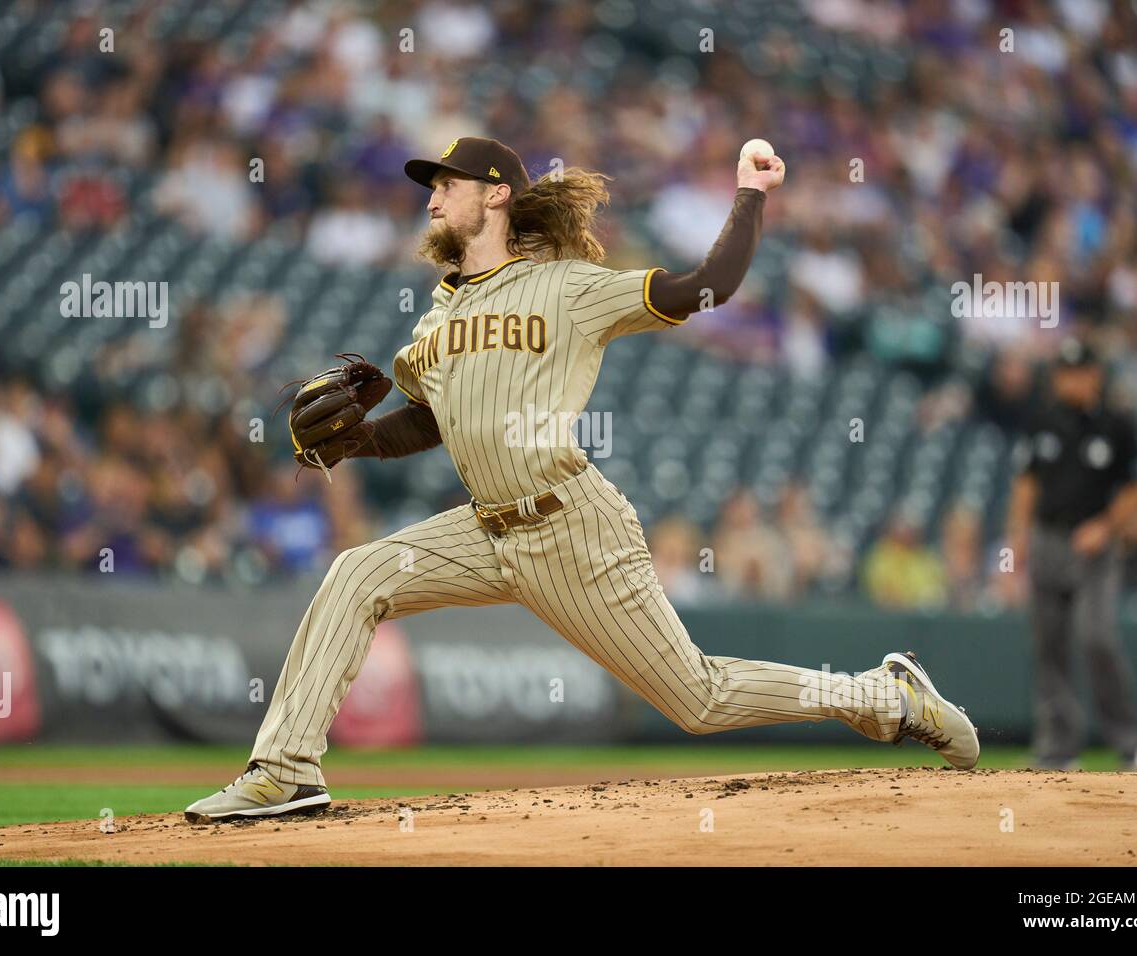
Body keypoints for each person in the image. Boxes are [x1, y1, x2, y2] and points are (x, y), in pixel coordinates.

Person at [184, 136, 979, 823]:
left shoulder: (568, 286)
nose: (434, 195)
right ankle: (284, 770)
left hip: (571, 528)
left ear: (497, 195)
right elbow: (427, 423)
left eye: (448, 183)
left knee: (697, 699)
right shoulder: (433, 320)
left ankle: (886, 697)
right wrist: (354, 445)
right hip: (484, 528)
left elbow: (711, 286)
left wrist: (748, 194)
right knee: (358, 572)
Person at [1006, 337, 1137, 771]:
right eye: (1063, 372)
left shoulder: (1118, 424)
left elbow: (1134, 491)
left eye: (1078, 372)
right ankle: (1059, 747)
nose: (1069, 380)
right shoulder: (1043, 423)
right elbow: (1026, 483)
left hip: (1095, 549)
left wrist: (1105, 526)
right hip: (1049, 541)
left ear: (1095, 375)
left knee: (1096, 638)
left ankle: (1129, 743)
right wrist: (1016, 538)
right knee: (1049, 645)